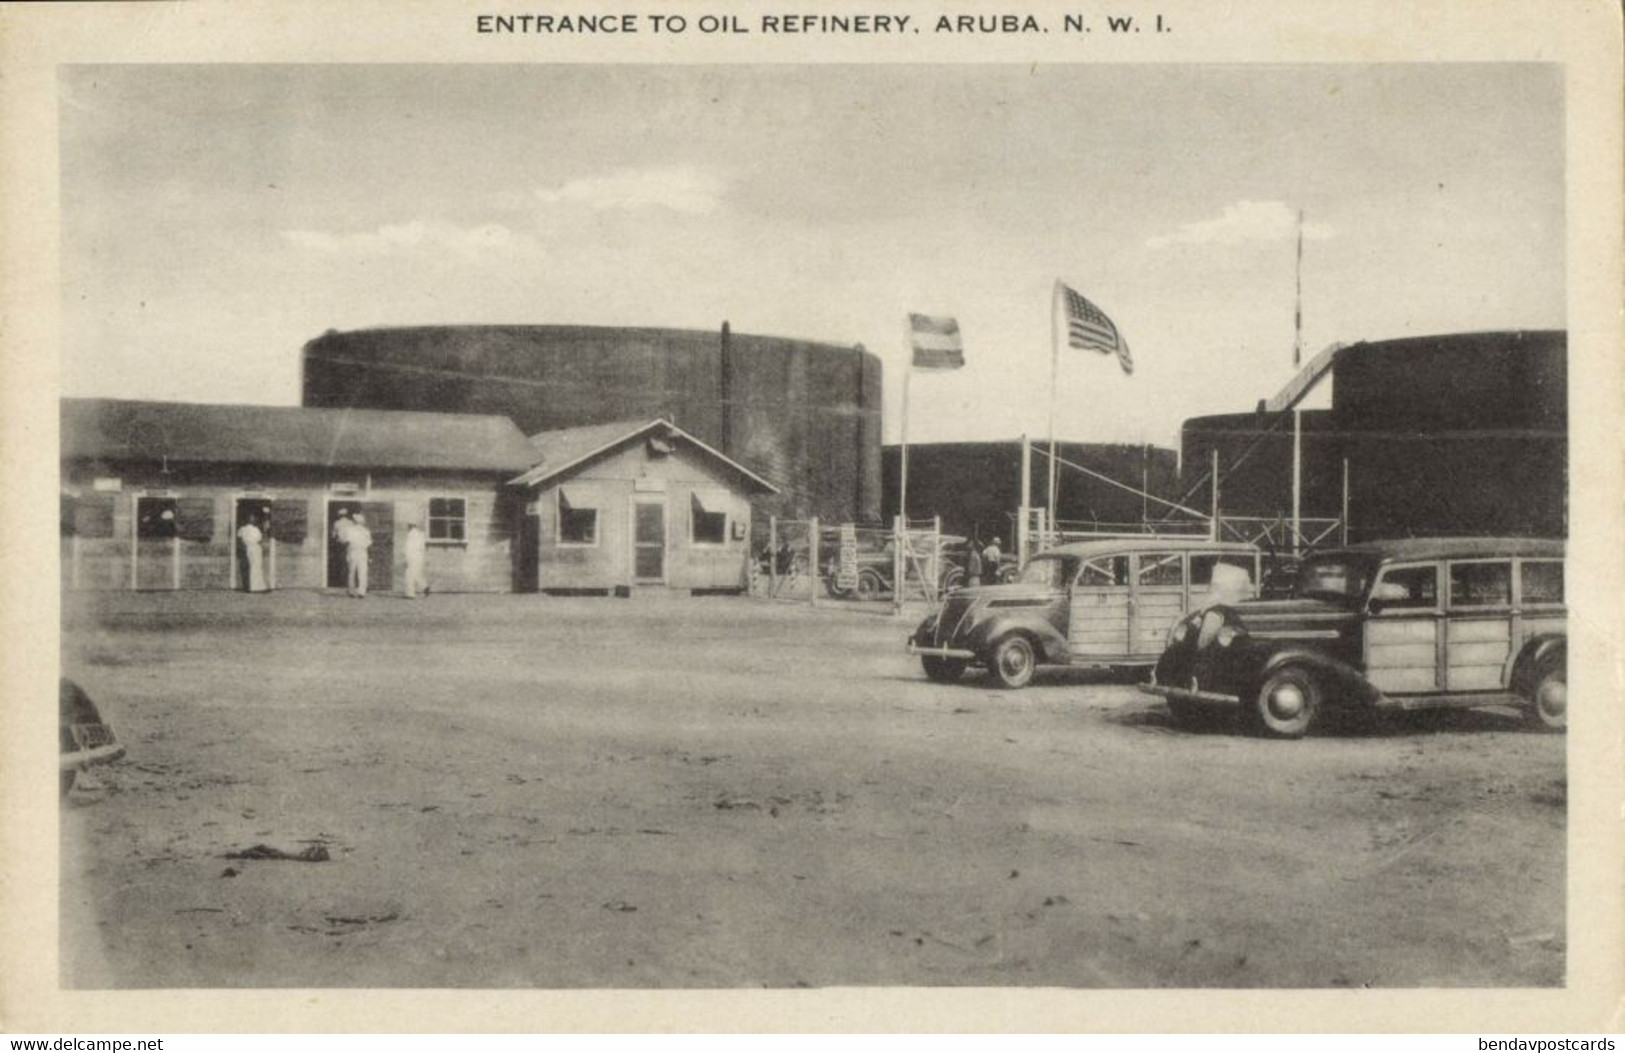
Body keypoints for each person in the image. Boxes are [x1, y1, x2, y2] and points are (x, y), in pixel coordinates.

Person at [236, 515, 269, 593]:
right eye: (251, 518)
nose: (253, 520)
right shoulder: (247, 529)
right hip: (252, 548)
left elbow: (240, 539)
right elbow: (259, 539)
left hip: (253, 548)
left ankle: (256, 586)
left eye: (253, 518)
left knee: (255, 567)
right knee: (255, 567)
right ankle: (254, 587)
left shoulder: (248, 529)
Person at [345, 512, 372, 598]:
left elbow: (348, 542)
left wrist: (347, 553)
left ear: (354, 521)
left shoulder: (350, 530)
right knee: (362, 572)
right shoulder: (366, 531)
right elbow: (369, 545)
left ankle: (351, 591)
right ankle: (361, 592)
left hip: (353, 551)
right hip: (362, 552)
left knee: (351, 572)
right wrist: (370, 556)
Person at [404, 523, 428, 599]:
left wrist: (406, 559)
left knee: (409, 575)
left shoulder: (410, 535)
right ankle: (425, 586)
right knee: (416, 573)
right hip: (419, 556)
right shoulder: (421, 534)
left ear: (410, 526)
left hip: (412, 556)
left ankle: (410, 593)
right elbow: (423, 547)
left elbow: (408, 548)